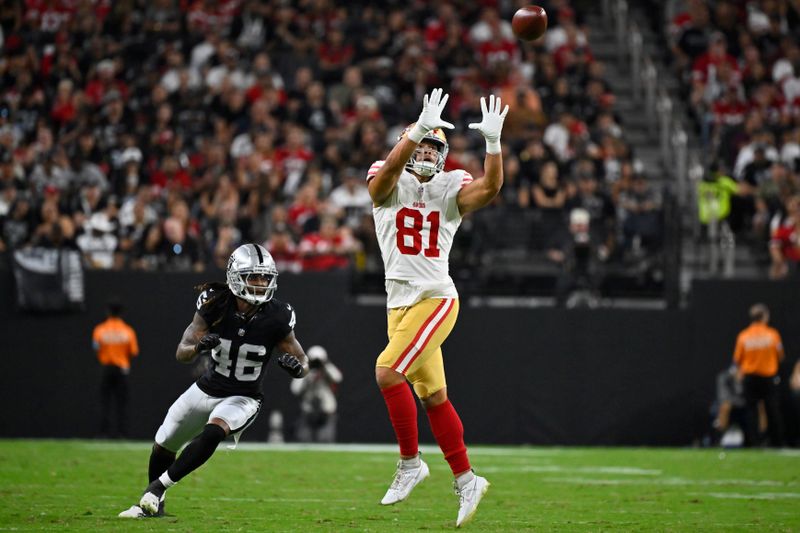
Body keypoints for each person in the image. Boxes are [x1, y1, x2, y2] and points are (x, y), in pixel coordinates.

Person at [366, 88, 508, 528]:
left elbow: (491, 188)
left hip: (435, 297)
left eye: (434, 146)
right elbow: (384, 179)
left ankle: (411, 465)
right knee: (433, 396)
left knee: (387, 371)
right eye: (422, 144)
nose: (427, 152)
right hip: (398, 303)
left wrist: (493, 145)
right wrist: (415, 132)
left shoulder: (451, 185)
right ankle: (467, 481)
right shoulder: (388, 175)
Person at [118, 243, 309, 518]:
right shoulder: (214, 302)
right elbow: (181, 352)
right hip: (207, 387)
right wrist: (198, 348)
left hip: (244, 397)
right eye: (253, 276)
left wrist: (297, 369)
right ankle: (155, 508)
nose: (260, 283)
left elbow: (303, 361)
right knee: (164, 443)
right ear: (234, 276)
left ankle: (156, 489)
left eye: (265, 277)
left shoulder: (278, 315)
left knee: (214, 430)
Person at [733, 303, 785, 447]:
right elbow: (780, 355)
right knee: (772, 410)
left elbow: (737, 360)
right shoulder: (772, 335)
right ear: (764, 317)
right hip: (768, 377)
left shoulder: (743, 336)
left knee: (751, 411)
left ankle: (752, 442)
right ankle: (777, 442)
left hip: (749, 378)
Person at [92, 299, 139, 438]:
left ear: (107, 311)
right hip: (121, 369)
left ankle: (103, 433)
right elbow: (133, 351)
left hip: (106, 368)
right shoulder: (128, 331)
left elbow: (96, 347)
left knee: (104, 401)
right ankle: (122, 433)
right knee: (121, 403)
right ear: (121, 313)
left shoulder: (99, 330)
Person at [290, 345, 343, 443]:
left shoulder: (327, 370)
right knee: (304, 442)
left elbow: (338, 378)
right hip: (308, 411)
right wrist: (305, 372)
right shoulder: (305, 371)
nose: (316, 364)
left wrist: (325, 365)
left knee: (325, 442)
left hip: (326, 412)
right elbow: (295, 389)